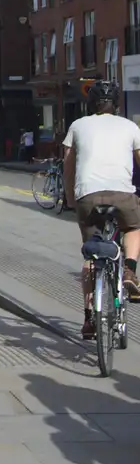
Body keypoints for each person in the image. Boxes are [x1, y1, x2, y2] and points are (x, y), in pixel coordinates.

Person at [63, 80, 140, 339]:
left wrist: (71, 197)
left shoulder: (77, 125)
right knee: (133, 226)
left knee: (91, 256)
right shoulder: (130, 126)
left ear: (91, 103)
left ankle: (88, 318)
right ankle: (129, 268)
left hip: (88, 195)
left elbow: (68, 164)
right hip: (122, 193)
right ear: (116, 104)